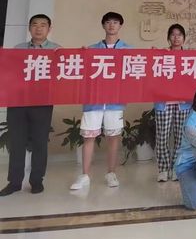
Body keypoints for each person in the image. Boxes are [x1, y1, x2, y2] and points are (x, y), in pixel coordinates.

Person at [70, 12, 132, 191]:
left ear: (120, 26)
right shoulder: (91, 49)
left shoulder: (128, 50)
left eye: (115, 22)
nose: (112, 25)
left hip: (115, 102)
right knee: (88, 137)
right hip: (93, 102)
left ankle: (111, 173)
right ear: (103, 25)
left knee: (113, 138)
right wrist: (79, 54)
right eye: (108, 22)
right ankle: (85, 175)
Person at [0, 14, 60, 196]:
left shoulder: (57, 50)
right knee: (16, 142)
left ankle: (36, 181)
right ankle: (14, 182)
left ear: (49, 29)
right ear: (29, 28)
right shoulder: (18, 49)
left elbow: (64, 73)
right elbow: (8, 73)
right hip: (18, 101)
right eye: (35, 25)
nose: (38, 28)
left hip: (42, 102)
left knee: (40, 142)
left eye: (43, 25)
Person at [155, 24, 192, 182]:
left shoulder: (190, 57)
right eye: (173, 34)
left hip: (183, 103)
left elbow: (193, 79)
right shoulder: (161, 55)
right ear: (168, 37)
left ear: (184, 38)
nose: (176, 38)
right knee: (162, 136)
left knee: (180, 137)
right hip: (164, 102)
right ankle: (163, 169)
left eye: (179, 35)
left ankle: (177, 168)